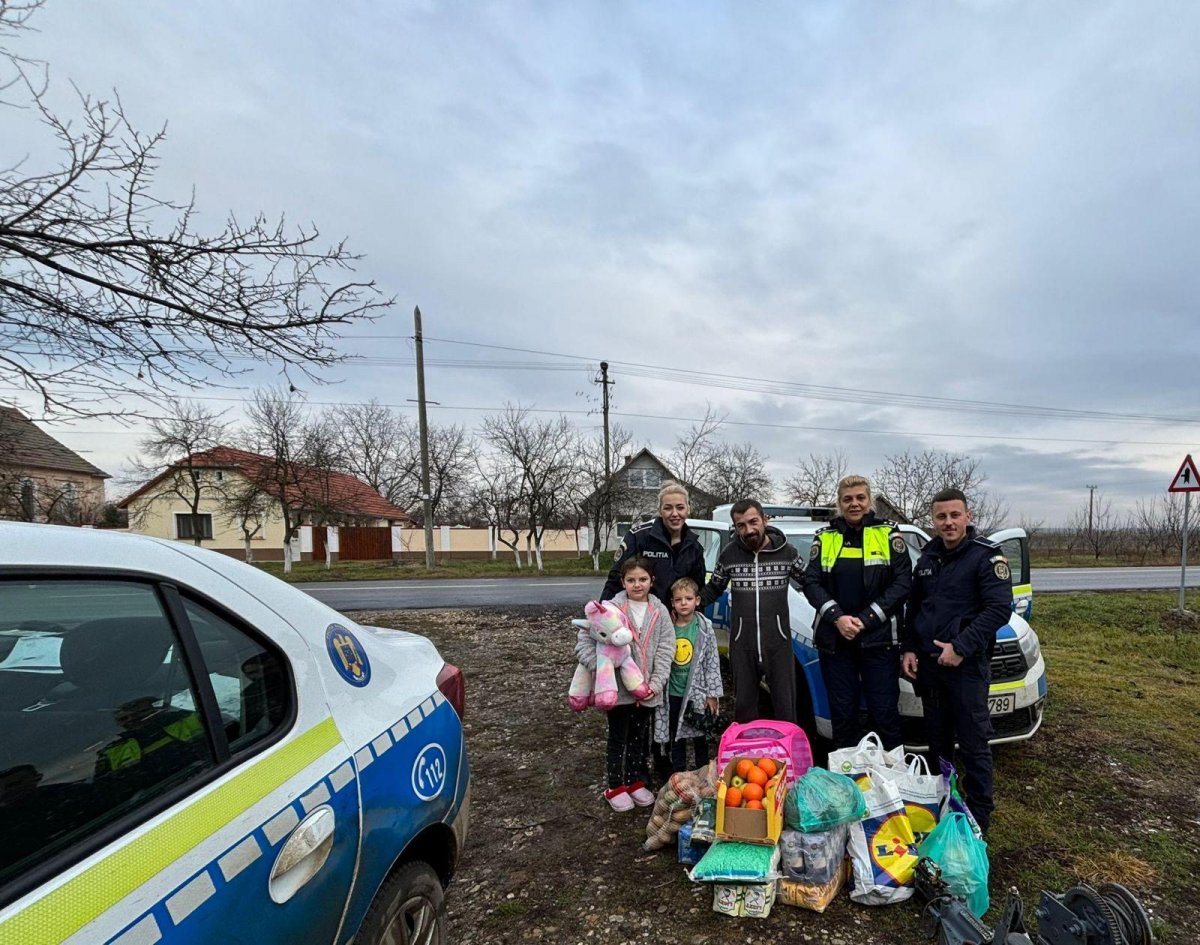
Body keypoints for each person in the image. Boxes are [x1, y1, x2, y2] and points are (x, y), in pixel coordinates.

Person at [901, 488, 1012, 835]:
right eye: (941, 517)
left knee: (974, 742)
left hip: (966, 668)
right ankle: (941, 803)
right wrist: (909, 648)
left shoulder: (985, 558)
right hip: (932, 669)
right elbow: (914, 610)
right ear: (932, 521)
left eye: (954, 515)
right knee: (938, 741)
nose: (948, 523)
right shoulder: (928, 559)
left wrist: (960, 647)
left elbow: (998, 610)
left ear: (967, 516)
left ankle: (979, 819)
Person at [802, 475, 912, 750]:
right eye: (847, 499)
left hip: (880, 640)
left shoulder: (889, 533)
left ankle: (891, 782)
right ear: (839, 504)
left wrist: (865, 620)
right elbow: (811, 583)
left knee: (885, 714)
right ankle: (847, 782)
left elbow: (902, 583)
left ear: (869, 500)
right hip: (836, 641)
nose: (854, 504)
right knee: (843, 715)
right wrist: (837, 617)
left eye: (860, 498)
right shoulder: (824, 537)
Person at [576, 555, 674, 812]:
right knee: (618, 738)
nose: (637, 585)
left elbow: (666, 648)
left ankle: (634, 782)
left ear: (652, 581)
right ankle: (615, 786)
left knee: (639, 738)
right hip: (618, 692)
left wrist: (656, 682)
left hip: (646, 690)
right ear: (622, 581)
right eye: (631, 580)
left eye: (643, 579)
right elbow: (584, 642)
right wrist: (602, 668)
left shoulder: (660, 611)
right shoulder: (609, 609)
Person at [699, 499, 804, 724]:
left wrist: (835, 609)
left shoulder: (787, 552)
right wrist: (688, 603)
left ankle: (787, 754)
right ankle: (746, 756)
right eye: (741, 526)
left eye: (753, 522)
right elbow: (714, 588)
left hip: (778, 643)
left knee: (786, 708)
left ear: (765, 520)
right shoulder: (729, 555)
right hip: (742, 643)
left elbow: (812, 583)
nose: (748, 530)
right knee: (745, 708)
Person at [652, 577, 723, 773]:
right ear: (672, 603)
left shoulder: (704, 627)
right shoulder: (668, 628)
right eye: (678, 599)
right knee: (676, 734)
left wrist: (712, 694)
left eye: (688, 598)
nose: (684, 603)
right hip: (674, 692)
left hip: (697, 693)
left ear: (697, 600)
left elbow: (712, 661)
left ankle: (702, 773)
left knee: (700, 734)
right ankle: (679, 773)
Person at [601, 481, 707, 605]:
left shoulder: (694, 547)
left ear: (688, 510)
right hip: (640, 617)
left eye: (680, 507)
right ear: (660, 511)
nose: (674, 514)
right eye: (668, 508)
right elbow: (615, 580)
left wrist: (694, 620)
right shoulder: (638, 537)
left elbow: (696, 589)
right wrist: (602, 615)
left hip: (676, 620)